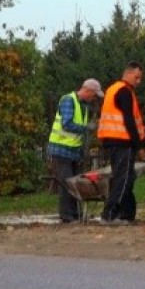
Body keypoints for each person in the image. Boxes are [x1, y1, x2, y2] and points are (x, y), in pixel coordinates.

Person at [47, 78, 104, 223]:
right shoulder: (68, 100)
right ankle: (67, 215)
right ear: (87, 90)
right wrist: (87, 128)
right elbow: (67, 124)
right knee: (67, 184)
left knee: (74, 184)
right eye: (94, 95)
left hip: (72, 151)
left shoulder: (82, 106)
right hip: (60, 150)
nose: (94, 98)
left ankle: (74, 214)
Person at [97, 61, 145, 225]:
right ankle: (109, 215)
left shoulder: (112, 89)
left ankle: (127, 213)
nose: (138, 82)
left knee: (126, 178)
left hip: (112, 140)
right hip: (122, 141)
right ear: (128, 74)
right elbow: (129, 121)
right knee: (123, 179)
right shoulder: (124, 91)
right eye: (137, 77)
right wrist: (139, 146)